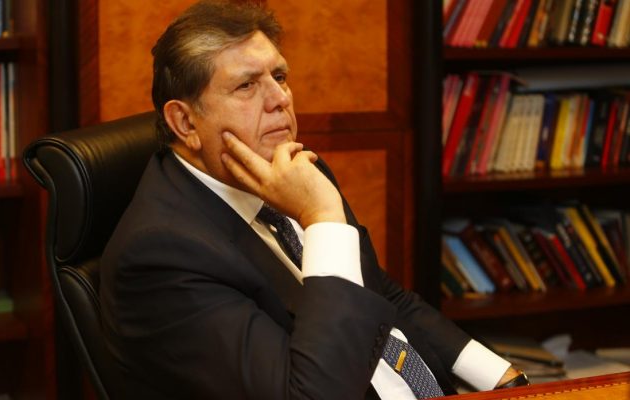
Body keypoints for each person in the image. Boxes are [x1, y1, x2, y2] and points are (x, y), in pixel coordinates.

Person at [100, 1, 528, 399]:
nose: (280, 99)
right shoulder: (161, 256)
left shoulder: (295, 172)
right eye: (247, 85)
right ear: (185, 122)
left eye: (279, 77)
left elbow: (380, 292)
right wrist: (322, 217)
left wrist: (500, 378)